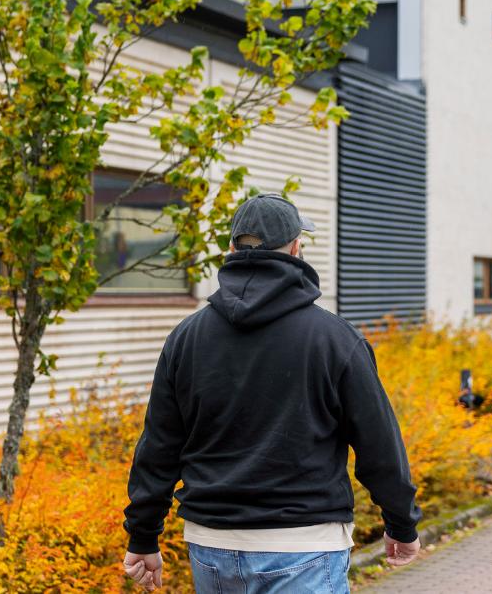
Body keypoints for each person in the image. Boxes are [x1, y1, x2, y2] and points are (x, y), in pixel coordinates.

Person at [121, 193, 422, 592]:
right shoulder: (334, 339)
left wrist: (142, 536)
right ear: (296, 249)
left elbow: (159, 445)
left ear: (231, 249)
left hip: (211, 547)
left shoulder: (187, 337)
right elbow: (379, 445)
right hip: (304, 546)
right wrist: (401, 524)